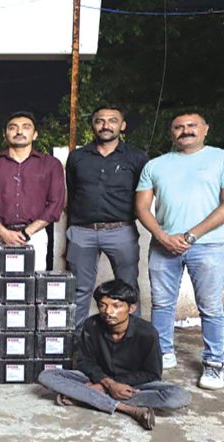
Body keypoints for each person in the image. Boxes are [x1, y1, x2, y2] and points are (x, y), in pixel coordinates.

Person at [135, 112, 224, 390]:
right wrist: (162, 236)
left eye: (192, 126)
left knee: (210, 306)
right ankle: (163, 353)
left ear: (206, 129)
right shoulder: (155, 165)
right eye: (178, 127)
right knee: (161, 304)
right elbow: (142, 207)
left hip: (207, 246)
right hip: (163, 246)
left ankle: (214, 363)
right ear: (171, 132)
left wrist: (191, 235)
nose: (185, 131)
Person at [38, 279, 191, 431]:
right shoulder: (91, 325)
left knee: (178, 396)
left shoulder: (147, 333)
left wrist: (107, 387)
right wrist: (108, 384)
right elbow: (85, 362)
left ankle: (83, 398)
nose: (108, 312)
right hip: (97, 378)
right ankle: (129, 409)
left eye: (116, 306)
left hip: (132, 384)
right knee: (47, 375)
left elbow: (153, 374)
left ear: (131, 308)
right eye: (102, 305)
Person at [65, 106, 149, 328]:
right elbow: (72, 192)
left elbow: (143, 193)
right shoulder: (77, 157)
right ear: (92, 125)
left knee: (128, 287)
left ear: (122, 125)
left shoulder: (136, 157)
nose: (106, 125)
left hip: (121, 230)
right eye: (100, 120)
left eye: (112, 120)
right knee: (78, 288)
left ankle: (131, 338)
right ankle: (78, 339)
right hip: (82, 231)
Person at [0, 111, 65, 271]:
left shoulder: (51, 164)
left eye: (26, 127)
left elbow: (55, 204)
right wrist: (3, 233)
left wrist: (27, 233)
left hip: (35, 235)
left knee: (33, 283)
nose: (19, 131)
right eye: (13, 127)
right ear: (5, 134)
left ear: (35, 135)